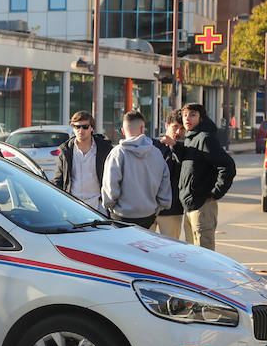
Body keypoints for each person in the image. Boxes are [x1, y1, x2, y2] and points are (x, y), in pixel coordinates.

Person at [174, 102, 236, 250]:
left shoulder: (205, 138)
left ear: (201, 118)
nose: (187, 118)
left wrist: (216, 193)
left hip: (202, 205)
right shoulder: (190, 138)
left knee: (204, 252)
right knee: (192, 254)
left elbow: (228, 166)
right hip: (189, 206)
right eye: (185, 115)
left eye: (193, 115)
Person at [101, 110, 170, 229]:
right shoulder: (156, 153)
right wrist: (160, 206)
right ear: (143, 128)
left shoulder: (117, 153)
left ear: (123, 131)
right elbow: (164, 183)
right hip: (149, 214)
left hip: (121, 215)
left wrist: (109, 205)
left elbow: (111, 186)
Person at [53, 111, 112, 210]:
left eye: (85, 127)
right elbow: (58, 180)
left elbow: (113, 177)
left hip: (98, 205)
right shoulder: (66, 150)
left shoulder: (104, 149)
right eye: (77, 127)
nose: (81, 130)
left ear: (92, 128)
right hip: (72, 205)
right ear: (73, 128)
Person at [155, 110, 186, 239]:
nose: (179, 132)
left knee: (171, 248)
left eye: (182, 128)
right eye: (175, 127)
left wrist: (175, 147)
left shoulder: (185, 149)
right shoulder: (153, 146)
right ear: (167, 125)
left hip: (173, 210)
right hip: (149, 208)